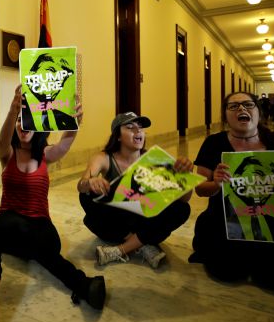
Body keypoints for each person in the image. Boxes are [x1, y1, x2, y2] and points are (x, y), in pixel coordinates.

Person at [0, 86, 105, 309]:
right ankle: (81, 283)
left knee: (49, 245)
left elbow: (66, 140)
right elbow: (2, 140)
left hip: (38, 224)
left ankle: (81, 284)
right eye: (20, 120)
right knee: (18, 227)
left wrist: (73, 120)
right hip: (9, 224)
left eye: (29, 120)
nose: (23, 125)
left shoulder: (45, 155)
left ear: (39, 127)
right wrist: (12, 111)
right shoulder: (7, 154)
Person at [190, 92, 274, 290]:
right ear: (225, 116)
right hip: (226, 223)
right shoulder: (213, 143)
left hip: (271, 225)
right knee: (227, 273)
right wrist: (216, 184)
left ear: (258, 112)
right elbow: (200, 190)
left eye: (247, 104)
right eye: (233, 106)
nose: (241, 109)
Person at [77, 112, 193, 268]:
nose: (138, 131)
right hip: (116, 221)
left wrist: (185, 176)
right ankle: (142, 243)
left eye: (140, 128)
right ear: (117, 136)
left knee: (182, 209)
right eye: (130, 127)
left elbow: (184, 199)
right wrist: (90, 182)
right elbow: (81, 184)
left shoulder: (154, 160)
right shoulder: (104, 157)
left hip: (143, 219)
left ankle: (120, 250)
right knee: (86, 196)